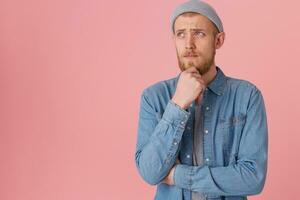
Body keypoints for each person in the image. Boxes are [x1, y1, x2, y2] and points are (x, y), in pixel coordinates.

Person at [134, 0, 268, 199]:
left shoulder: (247, 97)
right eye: (181, 34)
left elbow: (253, 178)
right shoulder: (153, 97)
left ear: (218, 41)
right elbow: (150, 172)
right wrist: (178, 104)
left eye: (199, 33)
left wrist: (178, 175)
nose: (189, 44)